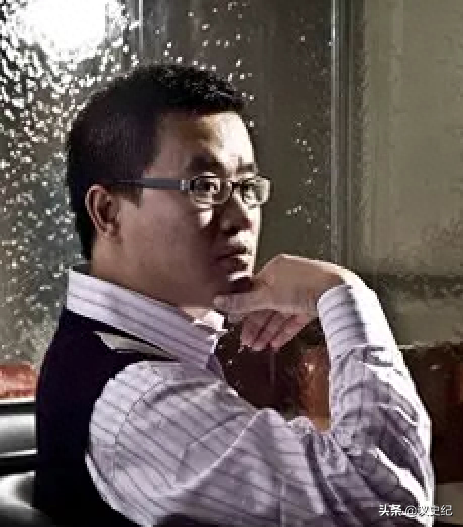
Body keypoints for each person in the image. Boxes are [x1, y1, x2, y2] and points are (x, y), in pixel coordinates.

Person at [34, 64, 433, 527]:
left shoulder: (115, 352)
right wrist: (344, 294)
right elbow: (392, 507)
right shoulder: (141, 399)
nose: (241, 217)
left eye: (245, 186)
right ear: (107, 212)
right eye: (204, 187)